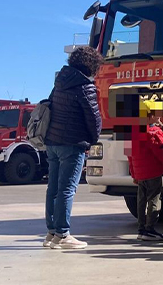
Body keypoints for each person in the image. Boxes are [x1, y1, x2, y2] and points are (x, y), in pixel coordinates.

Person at [44, 46, 103, 250]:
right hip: (73, 143)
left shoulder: (59, 83)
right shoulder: (85, 86)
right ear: (91, 65)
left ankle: (51, 233)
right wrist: (93, 139)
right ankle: (62, 234)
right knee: (67, 189)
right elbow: (93, 118)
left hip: (52, 141)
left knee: (53, 188)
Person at [129, 99, 163, 242]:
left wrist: (133, 173)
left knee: (141, 201)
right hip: (153, 172)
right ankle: (150, 228)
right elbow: (161, 153)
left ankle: (141, 228)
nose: (160, 117)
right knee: (154, 200)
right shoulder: (155, 133)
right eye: (157, 115)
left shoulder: (133, 132)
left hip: (140, 173)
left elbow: (129, 155)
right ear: (151, 116)